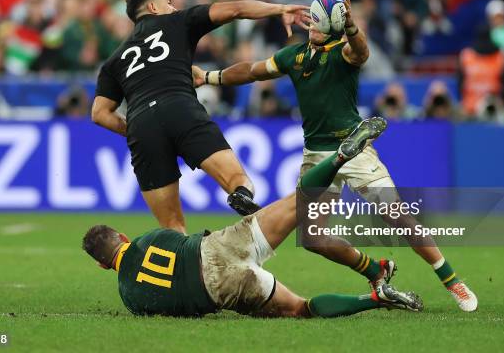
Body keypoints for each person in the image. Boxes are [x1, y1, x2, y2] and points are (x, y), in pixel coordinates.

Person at [192, 0, 478, 312]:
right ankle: (375, 269)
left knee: (396, 216)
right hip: (316, 156)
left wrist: (352, 25)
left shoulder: (342, 53)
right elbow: (252, 71)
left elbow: (362, 52)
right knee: (313, 238)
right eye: (310, 21)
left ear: (332, 24)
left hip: (353, 148)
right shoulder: (294, 56)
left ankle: (451, 280)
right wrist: (210, 78)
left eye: (316, 22)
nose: (309, 27)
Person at [82, 117, 424, 317]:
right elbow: (183, 240)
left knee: (301, 309)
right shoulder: (149, 239)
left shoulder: (129, 296)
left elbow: (170, 306)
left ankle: (377, 299)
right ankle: (338, 158)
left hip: (222, 289)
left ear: (102, 265)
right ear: (123, 238)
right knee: (300, 200)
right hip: (218, 246)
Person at [91, 0, 310, 232]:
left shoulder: (114, 60)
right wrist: (280, 8)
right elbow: (236, 9)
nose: (173, 6)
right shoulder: (177, 21)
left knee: (171, 227)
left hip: (141, 123)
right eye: (168, 1)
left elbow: (99, 114)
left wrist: (134, 131)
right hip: (180, 106)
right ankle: (239, 195)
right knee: (239, 181)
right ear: (154, 7)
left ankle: (184, 261)